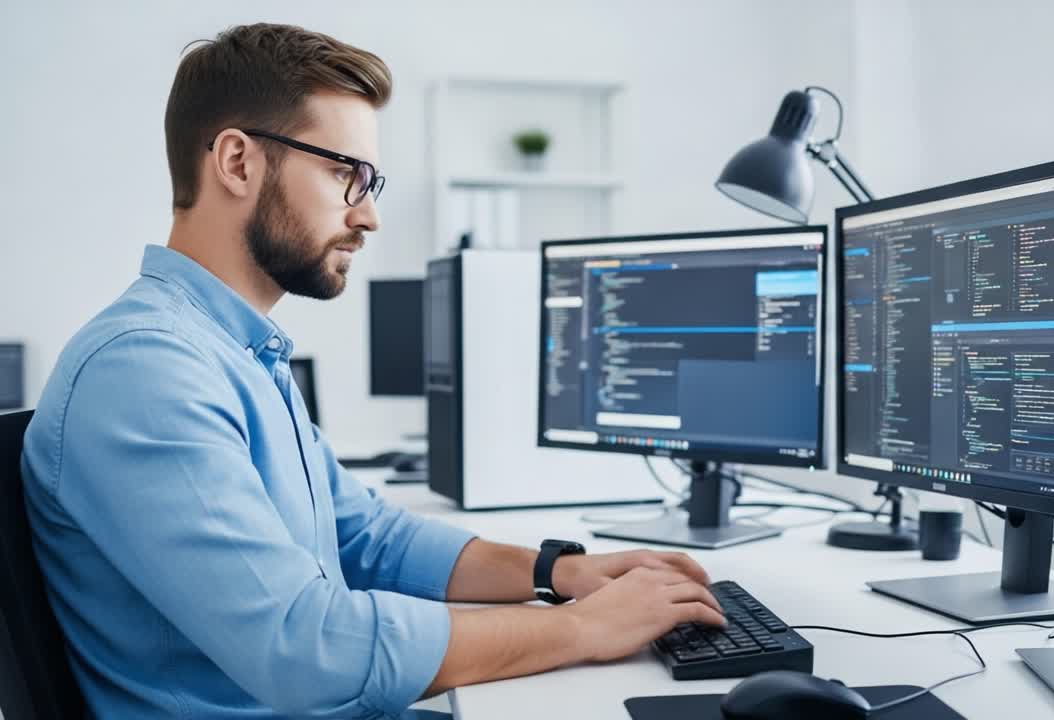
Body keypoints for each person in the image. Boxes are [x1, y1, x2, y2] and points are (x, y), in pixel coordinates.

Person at [21, 23, 724, 719]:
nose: (370, 216)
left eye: (370, 180)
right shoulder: (146, 372)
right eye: (344, 173)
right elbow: (305, 648)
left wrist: (560, 572)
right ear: (237, 163)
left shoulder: (231, 353)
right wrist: (582, 629)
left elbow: (366, 538)